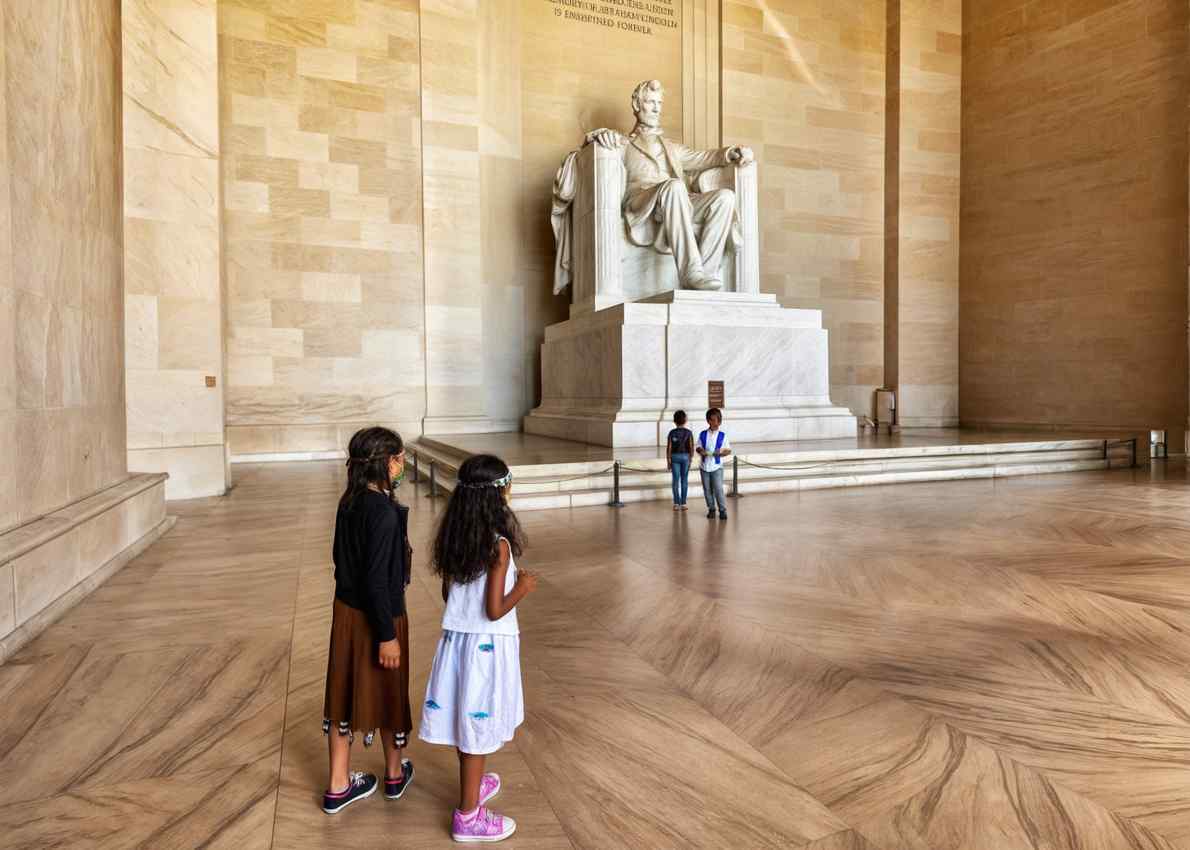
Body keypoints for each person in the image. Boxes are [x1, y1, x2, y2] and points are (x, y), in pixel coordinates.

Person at [420, 454, 537, 843]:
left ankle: (473, 785)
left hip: (458, 645)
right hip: (486, 649)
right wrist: (523, 587)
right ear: (497, 495)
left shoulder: (457, 538)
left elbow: (448, 593)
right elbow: (493, 610)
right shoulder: (498, 546)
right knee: (477, 729)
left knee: (467, 724)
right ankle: (468, 816)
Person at [321, 427, 414, 815]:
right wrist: (387, 635)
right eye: (399, 457)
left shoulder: (350, 502)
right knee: (392, 692)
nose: (402, 464)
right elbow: (378, 581)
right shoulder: (383, 514)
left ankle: (338, 783)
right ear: (385, 461)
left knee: (342, 693)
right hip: (381, 617)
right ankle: (394, 773)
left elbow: (340, 561)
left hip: (347, 614)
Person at [696, 408, 732, 520]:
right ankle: (711, 509)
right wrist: (701, 451)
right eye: (711, 420)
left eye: (716, 420)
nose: (714, 423)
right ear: (708, 421)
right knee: (707, 490)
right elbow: (698, 446)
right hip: (704, 466)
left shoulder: (723, 435)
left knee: (718, 489)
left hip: (716, 467)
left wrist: (720, 453)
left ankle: (722, 510)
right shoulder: (702, 434)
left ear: (720, 421)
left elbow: (728, 450)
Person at [666, 410, 694, 511]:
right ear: (685, 420)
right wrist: (690, 459)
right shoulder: (688, 432)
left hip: (674, 457)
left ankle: (676, 503)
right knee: (684, 480)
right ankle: (684, 503)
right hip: (685, 457)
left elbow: (669, 448)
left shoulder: (672, 433)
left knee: (675, 480)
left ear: (674, 421)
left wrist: (668, 460)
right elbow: (691, 447)